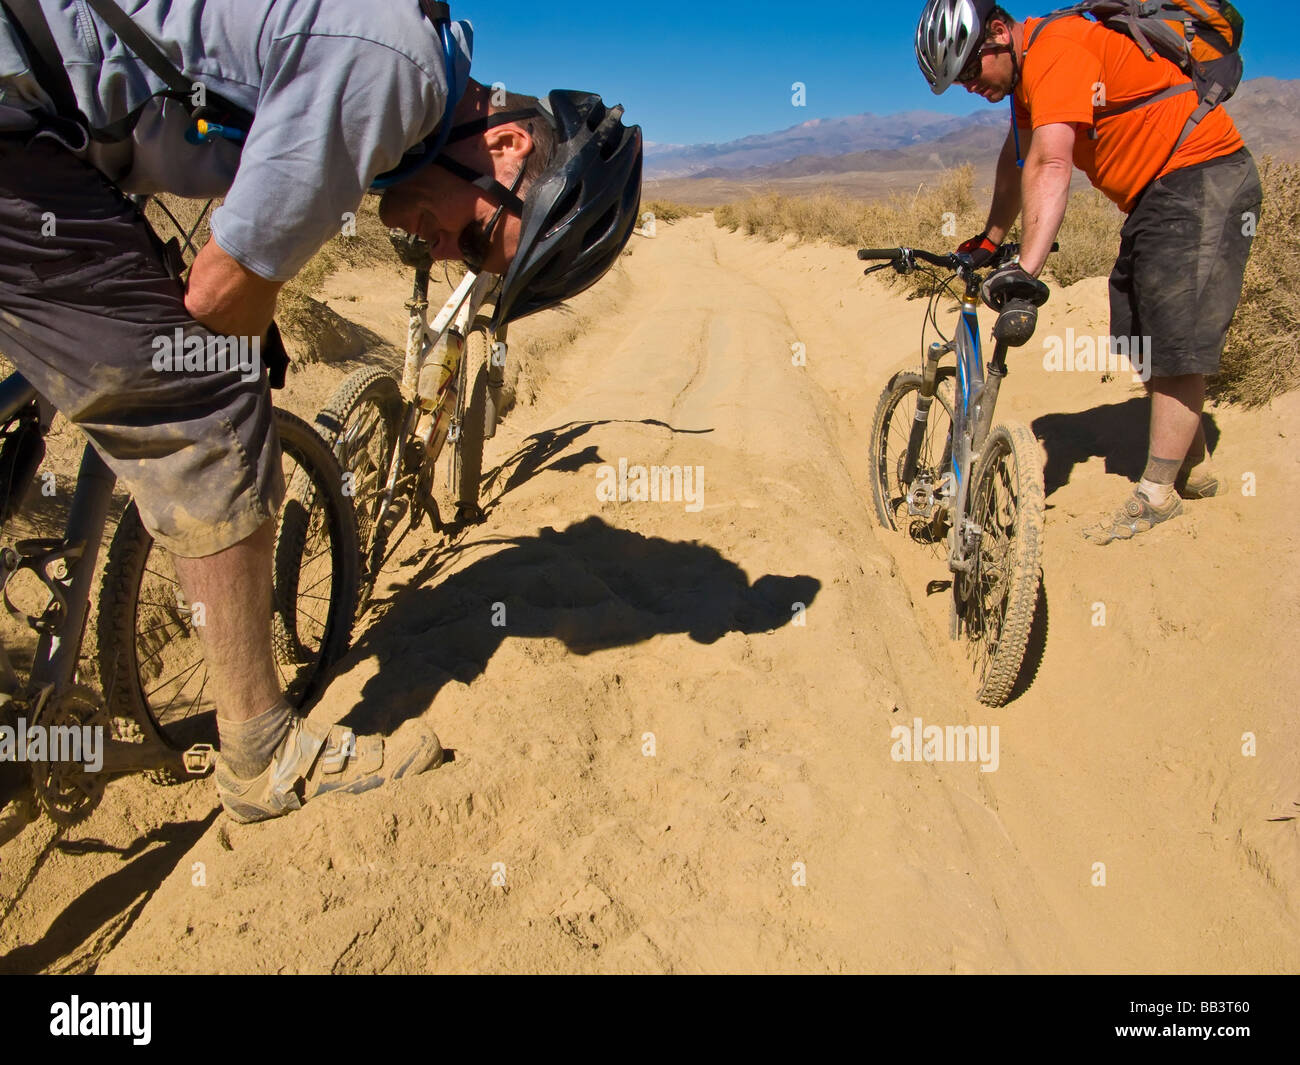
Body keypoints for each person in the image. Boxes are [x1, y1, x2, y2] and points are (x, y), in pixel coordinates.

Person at [0, 0, 642, 826]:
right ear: (508, 147)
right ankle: (263, 759)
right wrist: (234, 322)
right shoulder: (397, 70)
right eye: (478, 242)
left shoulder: (402, 61)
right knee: (204, 391)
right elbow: (219, 289)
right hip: (27, 123)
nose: (446, 254)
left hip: (51, 127)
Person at [915, 0, 1260, 544]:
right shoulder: (1029, 80)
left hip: (1202, 175)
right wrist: (991, 240)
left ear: (1000, 33)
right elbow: (1019, 158)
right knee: (1139, 330)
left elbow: (1054, 162)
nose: (969, 88)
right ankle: (1192, 464)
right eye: (958, 82)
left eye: (970, 71)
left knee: (1174, 332)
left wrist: (1026, 271)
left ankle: (1156, 495)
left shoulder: (1057, 50)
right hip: (1154, 195)